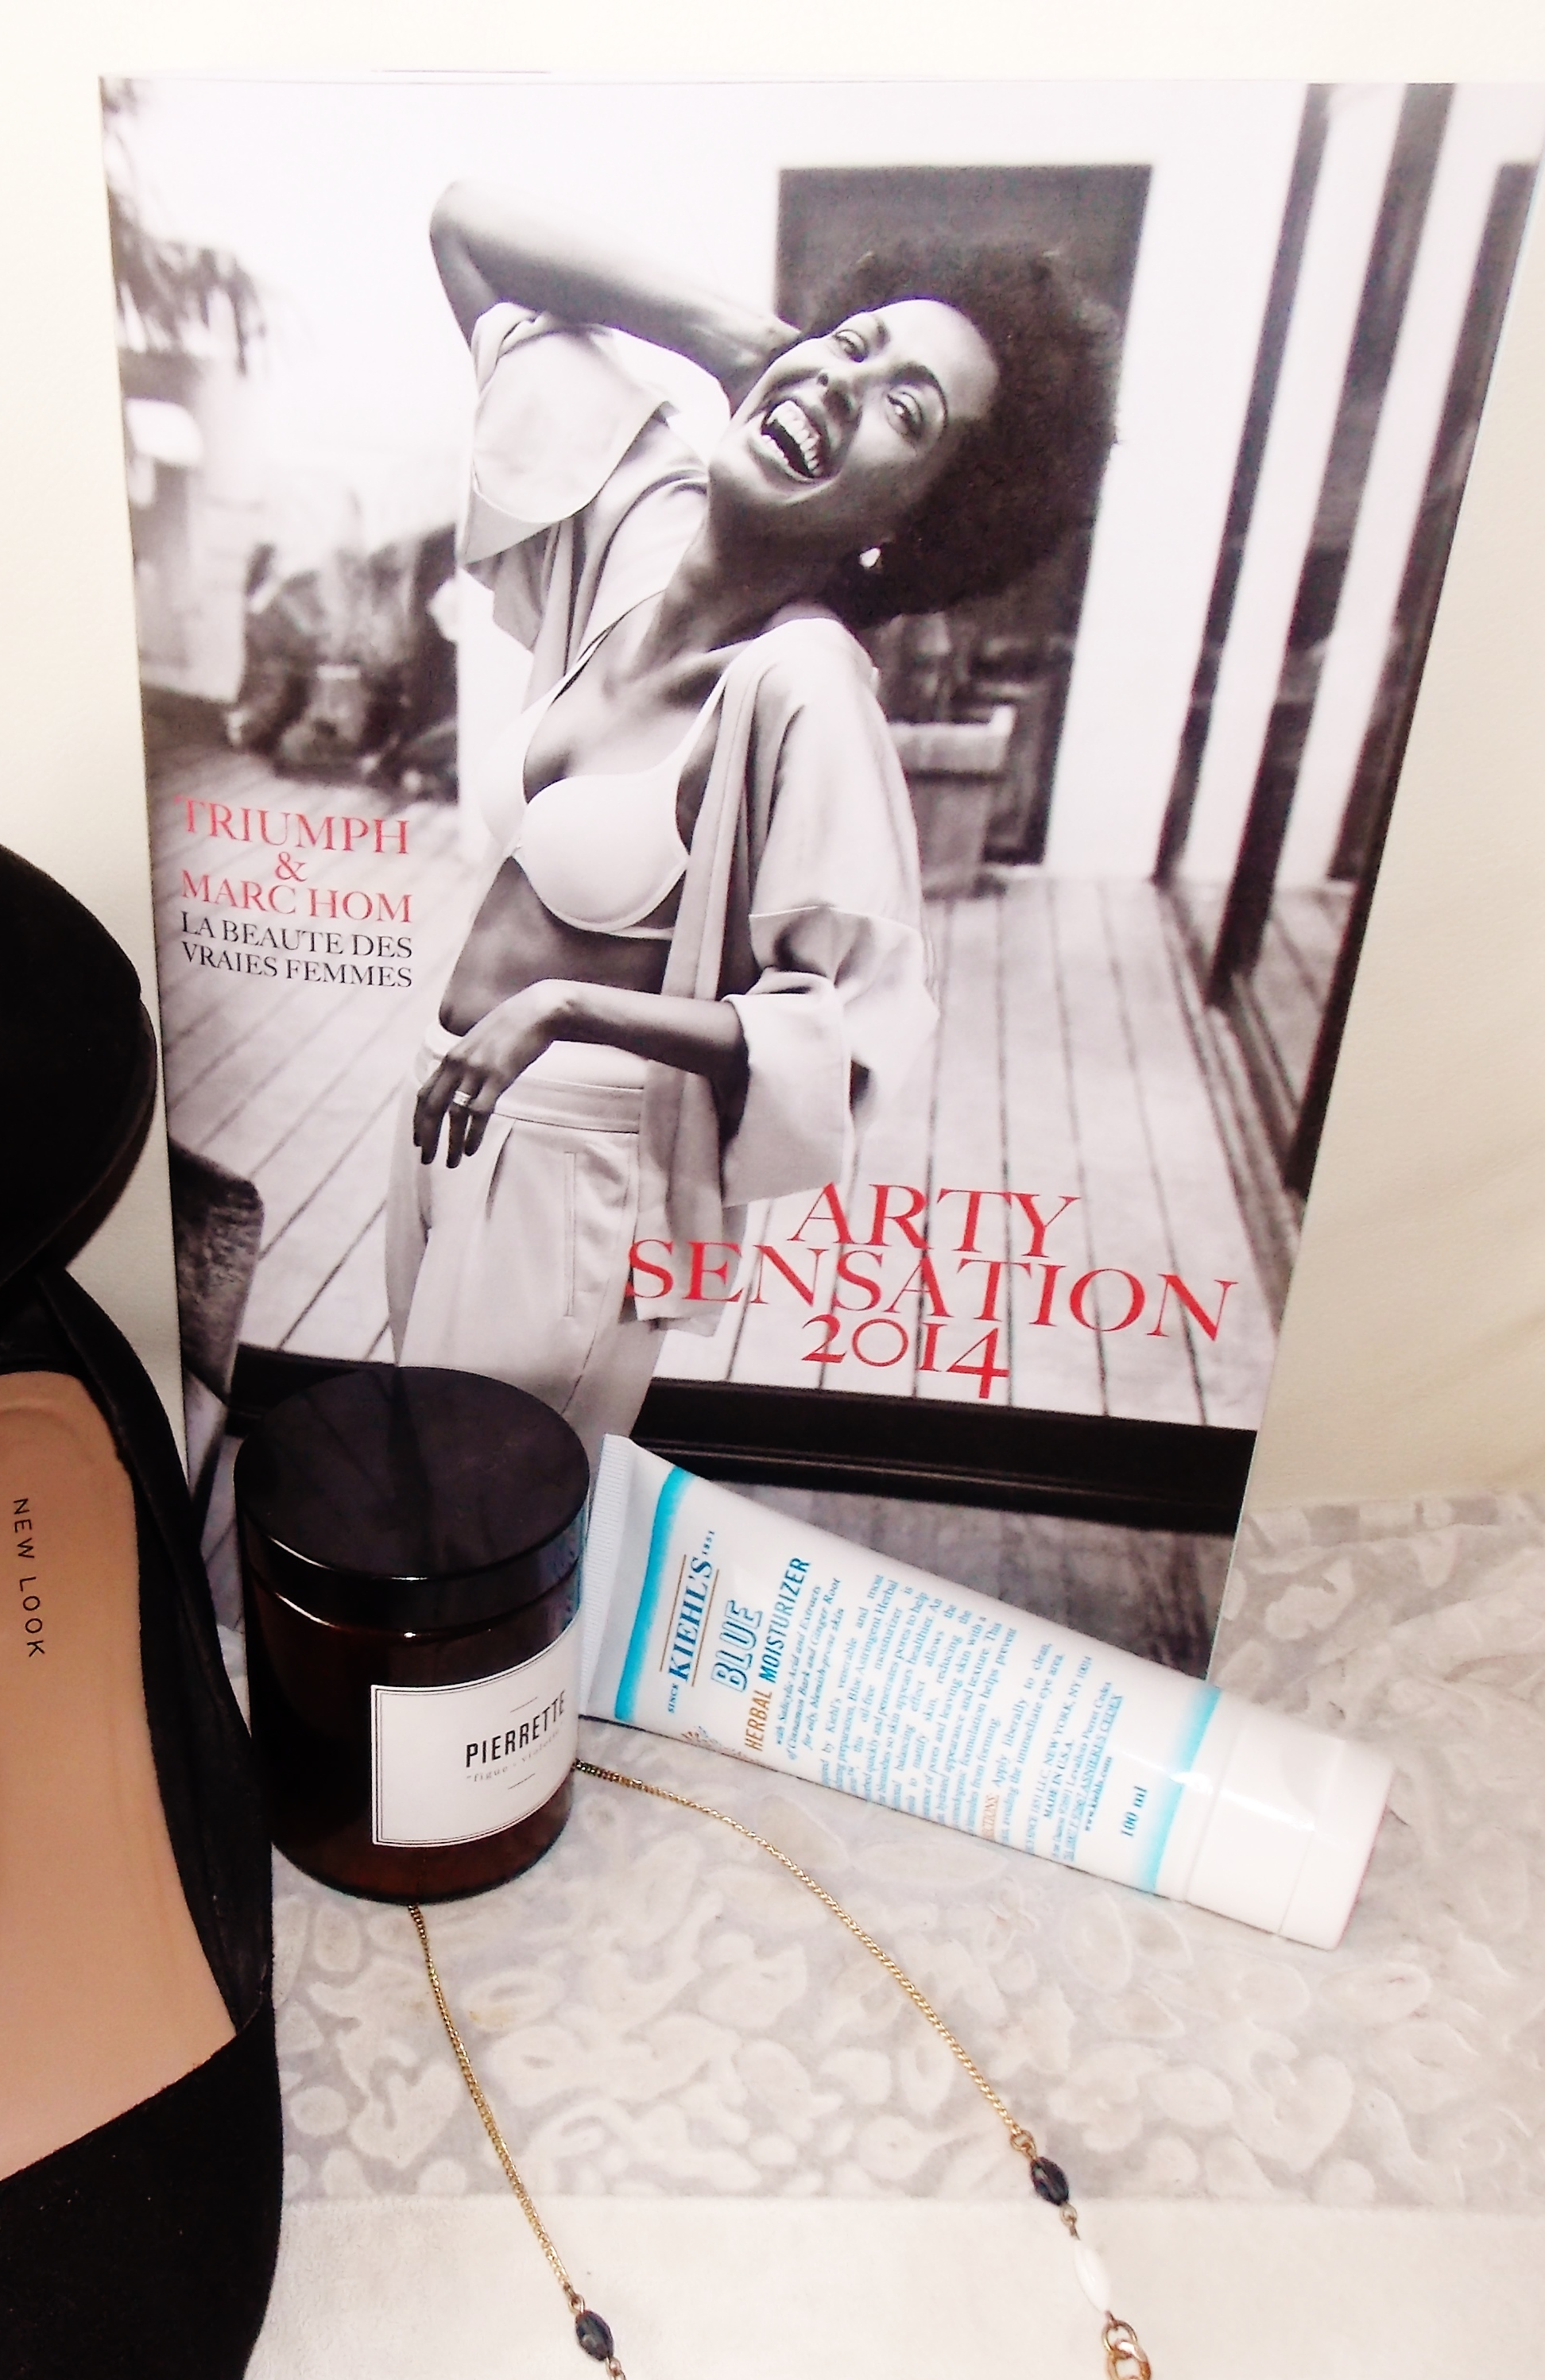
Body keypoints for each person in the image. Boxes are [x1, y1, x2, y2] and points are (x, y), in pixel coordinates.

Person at [385, 180, 1114, 1449]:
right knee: (423, 1498)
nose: (844, 384)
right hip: (441, 1110)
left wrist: (563, 1008)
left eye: (905, 411)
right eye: (855, 341)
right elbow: (468, 227)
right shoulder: (639, 527)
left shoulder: (802, 685)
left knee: (471, 1528)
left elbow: (846, 1031)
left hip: (573, 1180)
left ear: (915, 523)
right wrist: (750, 344)